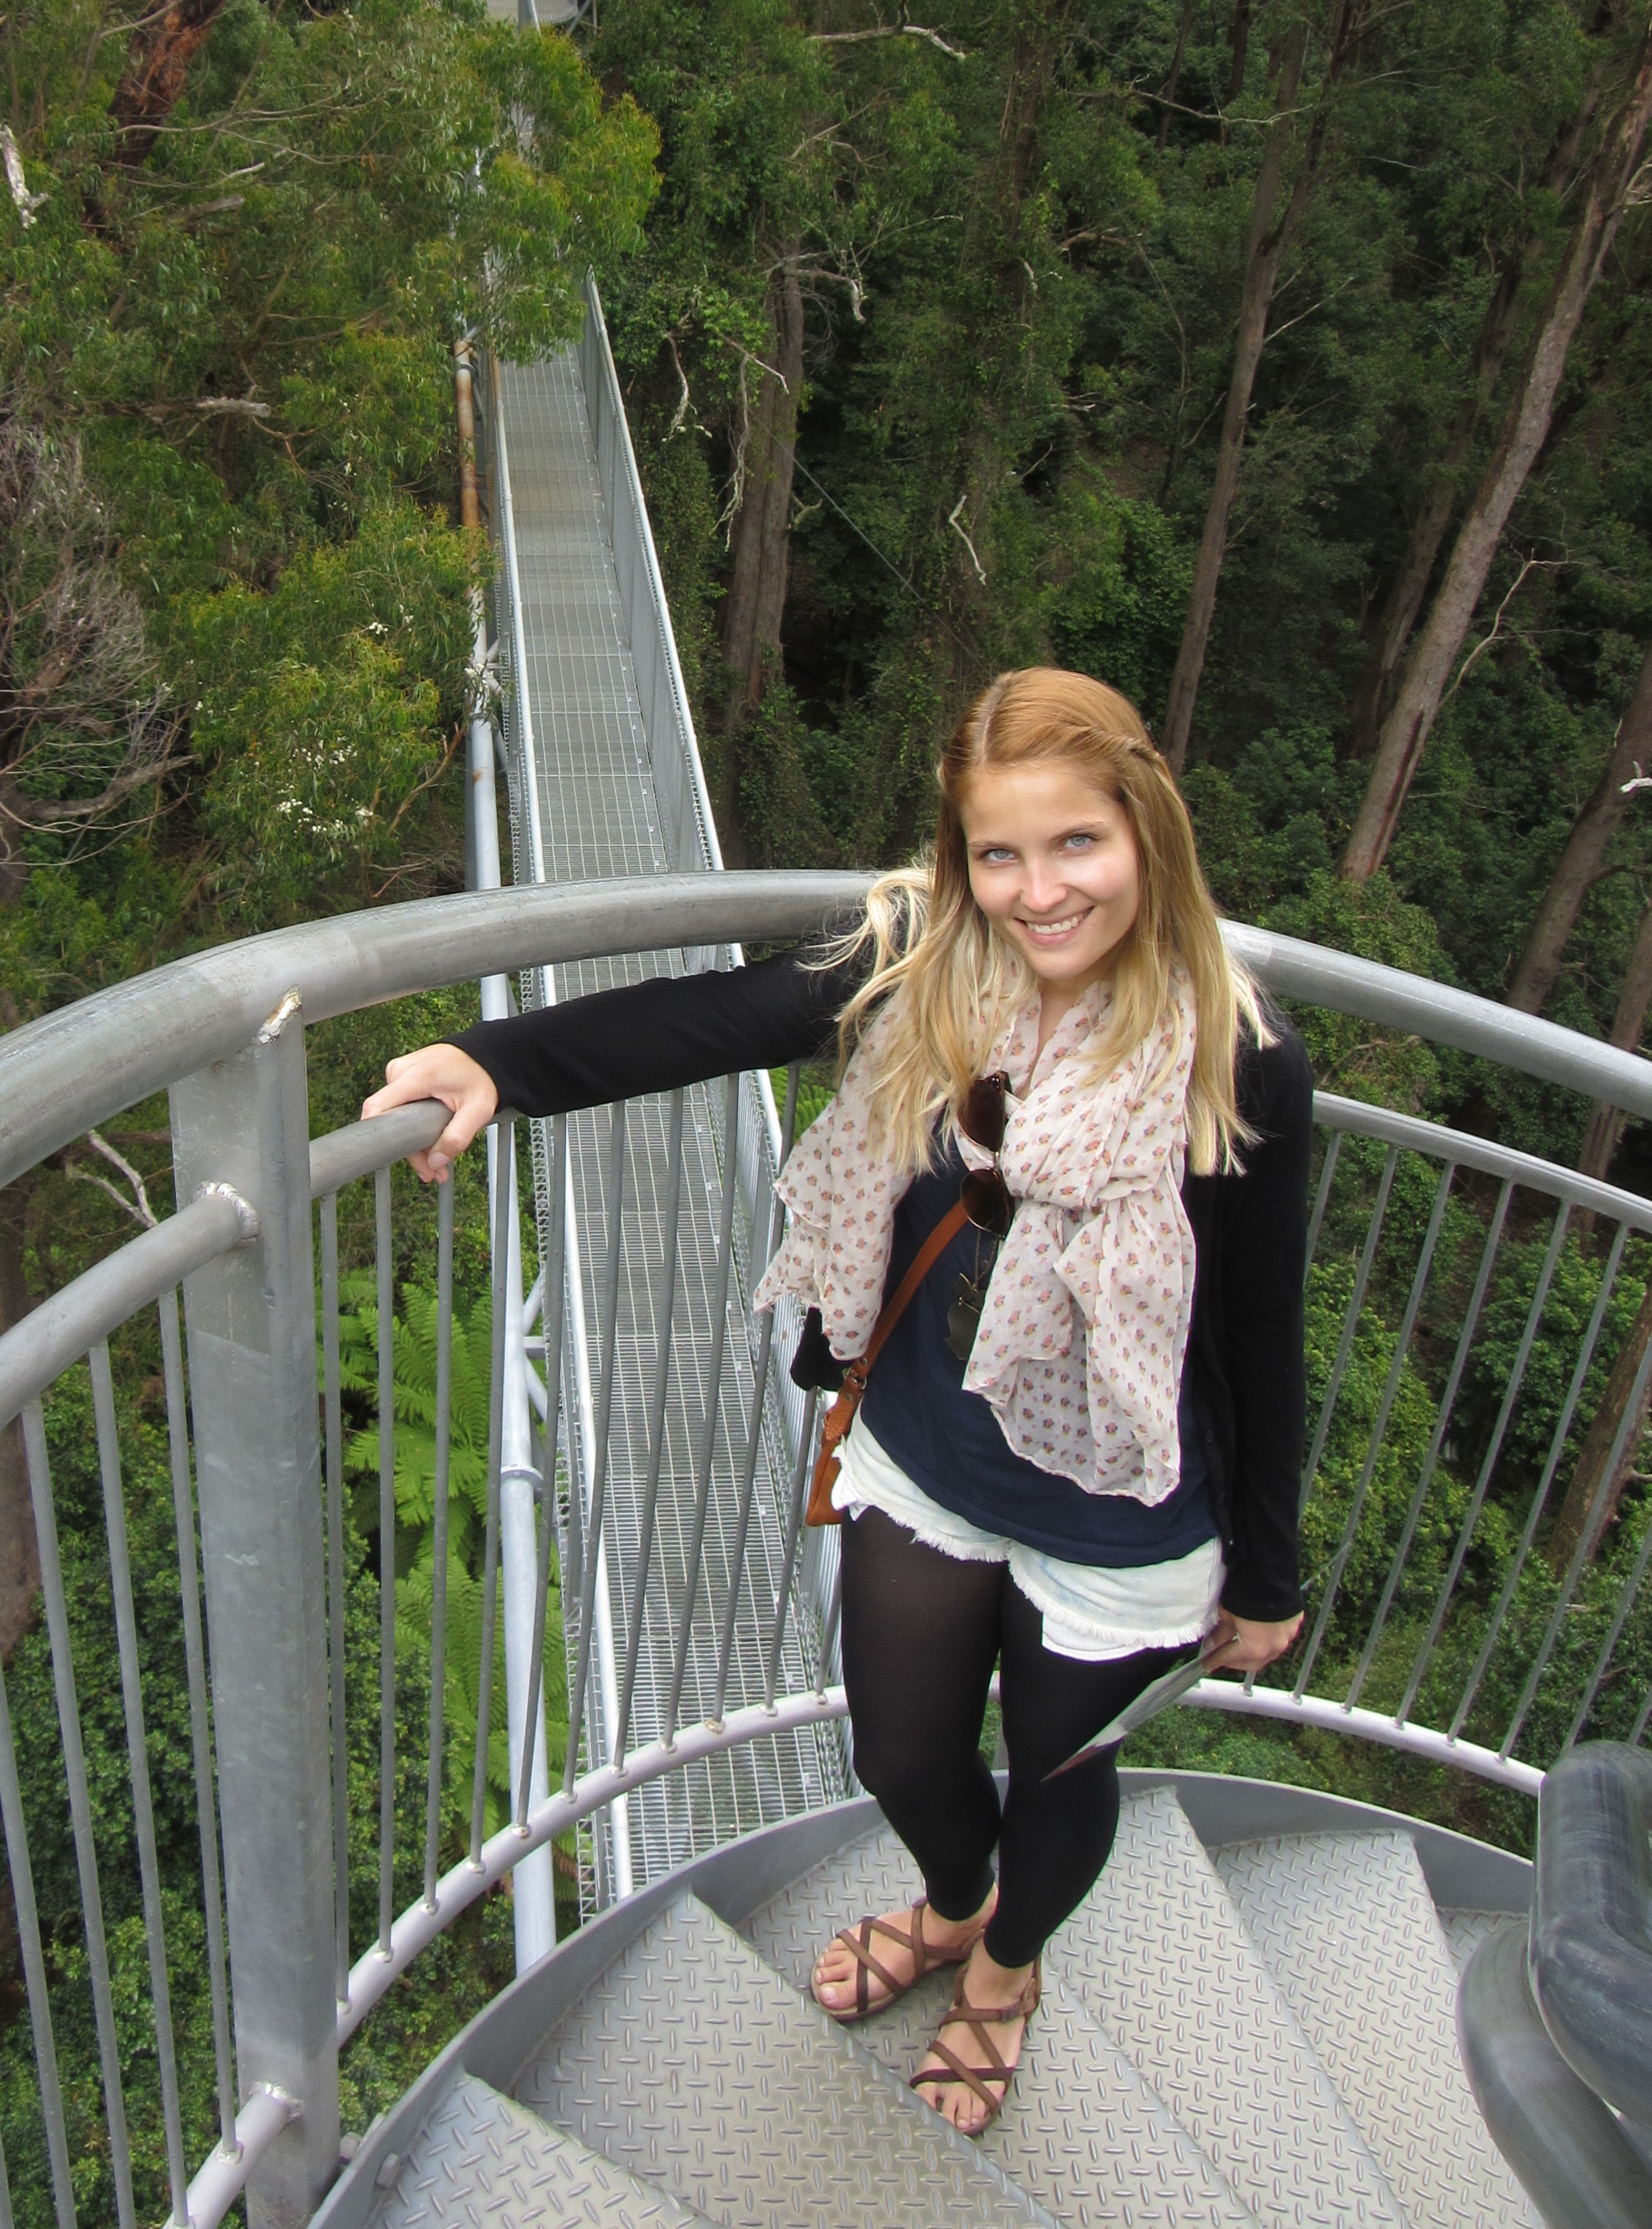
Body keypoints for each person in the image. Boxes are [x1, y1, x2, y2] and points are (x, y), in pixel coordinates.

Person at [361, 667, 1309, 2137]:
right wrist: (493, 1060)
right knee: (903, 1749)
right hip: (931, 1455)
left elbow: (1259, 1328)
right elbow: (714, 1017)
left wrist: (1268, 1570)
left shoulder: (1235, 1052)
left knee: (1059, 1774)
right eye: (1000, 852)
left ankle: (1000, 1971)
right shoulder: (927, 964)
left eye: (1077, 845)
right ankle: (949, 1898)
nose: (1039, 891)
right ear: (961, 857)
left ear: (1148, 832)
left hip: (1128, 1520)